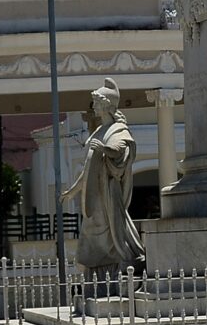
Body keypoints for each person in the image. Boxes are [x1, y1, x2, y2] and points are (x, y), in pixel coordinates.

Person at [59, 79, 146, 273]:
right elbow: (88, 169)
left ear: (106, 105)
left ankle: (122, 260)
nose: (94, 106)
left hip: (107, 191)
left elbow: (121, 150)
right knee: (92, 228)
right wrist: (72, 191)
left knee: (112, 228)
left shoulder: (118, 130)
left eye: (97, 102)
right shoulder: (99, 130)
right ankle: (96, 266)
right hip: (94, 191)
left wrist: (104, 149)